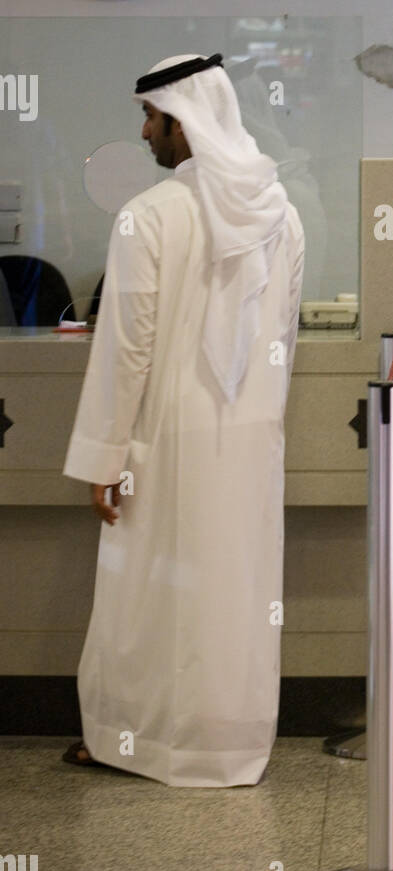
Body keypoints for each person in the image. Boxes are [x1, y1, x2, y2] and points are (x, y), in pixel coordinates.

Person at [62, 53, 305, 787]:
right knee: (236, 587)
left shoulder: (149, 215)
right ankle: (226, 748)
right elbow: (282, 345)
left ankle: (138, 743)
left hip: (161, 440)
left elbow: (125, 350)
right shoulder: (279, 214)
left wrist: (105, 458)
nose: (144, 133)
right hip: (248, 436)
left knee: (149, 592)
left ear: (183, 117)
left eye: (150, 116)